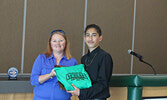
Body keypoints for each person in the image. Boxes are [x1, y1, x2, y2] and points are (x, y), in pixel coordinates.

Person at [67, 24, 113, 100]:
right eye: (88, 35)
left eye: (94, 35)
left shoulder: (104, 56)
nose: (90, 38)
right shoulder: (84, 58)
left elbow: (102, 84)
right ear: (84, 38)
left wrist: (81, 92)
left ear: (100, 38)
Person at [30, 29, 78, 100]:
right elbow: (33, 80)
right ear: (50, 43)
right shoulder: (41, 58)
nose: (57, 43)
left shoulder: (72, 62)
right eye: (54, 41)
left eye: (61, 40)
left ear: (66, 43)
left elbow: (76, 83)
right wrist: (50, 75)